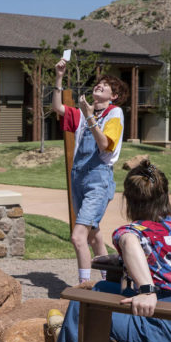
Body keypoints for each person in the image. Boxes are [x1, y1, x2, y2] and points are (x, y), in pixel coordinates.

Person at [29, 160, 171, 342]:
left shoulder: (130, 233)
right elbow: (163, 254)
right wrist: (122, 261)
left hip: (168, 334)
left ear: (129, 202)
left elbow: (130, 241)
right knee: (99, 291)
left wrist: (147, 291)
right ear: (165, 194)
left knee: (85, 305)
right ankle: (69, 333)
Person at [51, 62, 129, 288]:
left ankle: (83, 287)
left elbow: (105, 145)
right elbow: (58, 107)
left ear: (113, 96)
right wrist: (59, 77)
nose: (100, 86)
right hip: (77, 178)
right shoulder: (83, 113)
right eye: (99, 83)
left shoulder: (114, 113)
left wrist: (91, 117)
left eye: (106, 86)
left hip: (98, 178)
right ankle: (110, 283)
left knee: (78, 237)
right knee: (94, 236)